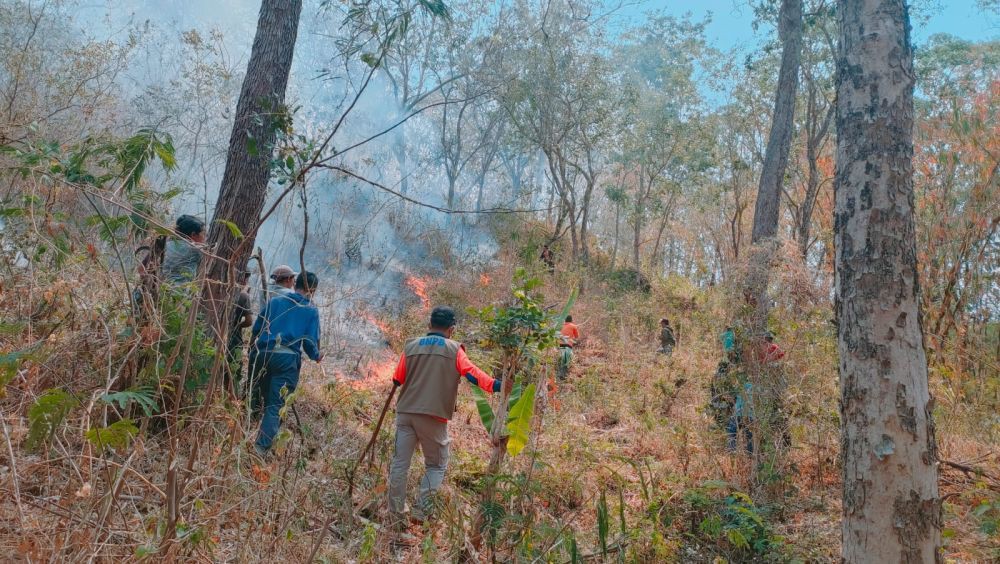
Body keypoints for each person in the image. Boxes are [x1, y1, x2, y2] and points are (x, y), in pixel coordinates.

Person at [388, 306, 507, 526]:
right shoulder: (454, 350)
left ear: (428, 325)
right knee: (435, 466)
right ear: (451, 329)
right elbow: (471, 374)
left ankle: (395, 514)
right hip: (433, 417)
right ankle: (421, 512)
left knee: (399, 464)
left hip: (404, 413)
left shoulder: (411, 346)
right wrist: (497, 385)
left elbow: (398, 378)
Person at [249, 271, 323, 455]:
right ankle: (260, 449)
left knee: (257, 397)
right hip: (286, 359)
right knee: (275, 404)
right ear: (312, 290)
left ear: (295, 283)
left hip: (262, 354)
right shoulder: (310, 309)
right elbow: (309, 343)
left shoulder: (275, 302)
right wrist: (317, 355)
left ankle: (244, 434)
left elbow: (257, 328)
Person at [227, 269, 254, 392]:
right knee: (234, 372)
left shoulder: (223, 290)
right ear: (244, 279)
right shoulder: (243, 296)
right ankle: (232, 399)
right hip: (234, 340)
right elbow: (249, 321)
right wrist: (237, 325)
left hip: (217, 338)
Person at [160, 214, 205, 284]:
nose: (204, 238)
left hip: (161, 288)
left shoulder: (165, 244)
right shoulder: (195, 250)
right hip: (181, 292)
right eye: (203, 234)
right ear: (193, 235)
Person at [557, 314, 580, 380]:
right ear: (571, 320)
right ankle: (563, 375)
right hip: (568, 345)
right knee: (567, 360)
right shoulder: (573, 326)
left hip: (561, 344)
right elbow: (577, 336)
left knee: (562, 359)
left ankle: (559, 374)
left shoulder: (561, 326)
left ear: (565, 320)